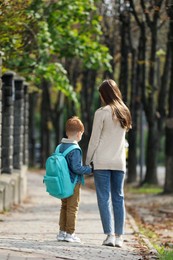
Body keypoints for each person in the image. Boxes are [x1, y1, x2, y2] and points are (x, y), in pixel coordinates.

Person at [86, 79, 132, 248]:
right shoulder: (124, 111)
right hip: (119, 162)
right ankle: (120, 237)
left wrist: (87, 160)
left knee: (104, 198)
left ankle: (109, 235)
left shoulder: (101, 112)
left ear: (104, 94)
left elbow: (94, 140)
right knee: (118, 198)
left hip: (102, 161)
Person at [57, 116, 92, 243]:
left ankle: (62, 232)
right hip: (73, 183)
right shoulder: (75, 149)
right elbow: (77, 168)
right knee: (72, 208)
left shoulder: (60, 146)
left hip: (62, 183)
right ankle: (70, 233)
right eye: (82, 133)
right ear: (79, 133)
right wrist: (89, 169)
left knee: (64, 207)